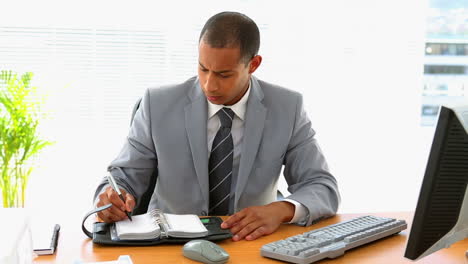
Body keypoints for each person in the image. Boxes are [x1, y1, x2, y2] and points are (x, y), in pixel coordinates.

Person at [94, 11, 340, 241]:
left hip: (249, 242)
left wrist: (281, 210)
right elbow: (124, 176)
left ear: (253, 65)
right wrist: (111, 197)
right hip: (171, 243)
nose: (209, 85)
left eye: (224, 74)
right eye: (203, 69)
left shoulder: (287, 107)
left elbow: (322, 186)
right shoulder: (157, 105)